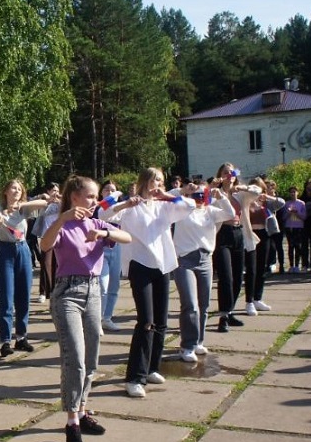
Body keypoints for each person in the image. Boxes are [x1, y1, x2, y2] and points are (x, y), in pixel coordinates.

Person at [40, 175, 131, 442]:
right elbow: (45, 245)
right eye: (90, 197)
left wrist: (104, 233)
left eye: (95, 197)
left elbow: (126, 237)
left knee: (91, 358)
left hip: (94, 294)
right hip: (67, 293)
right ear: (74, 197)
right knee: (75, 359)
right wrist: (62, 218)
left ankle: (82, 411)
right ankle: (71, 422)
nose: (95, 202)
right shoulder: (63, 225)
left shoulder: (97, 223)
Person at [101, 168, 195, 398]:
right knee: (146, 321)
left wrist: (169, 196)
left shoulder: (165, 206)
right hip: (139, 265)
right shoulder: (132, 207)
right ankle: (134, 377)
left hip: (162, 265)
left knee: (161, 322)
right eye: (154, 181)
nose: (158, 185)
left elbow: (190, 206)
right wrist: (124, 202)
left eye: (161, 181)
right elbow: (103, 214)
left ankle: (152, 367)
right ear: (144, 182)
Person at [0, 180, 47, 357]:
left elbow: (44, 203)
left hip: (22, 250)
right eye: (13, 188)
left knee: (24, 296)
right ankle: (5, 340)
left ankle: (21, 337)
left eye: (19, 189)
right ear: (5, 191)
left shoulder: (24, 209)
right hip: (5, 251)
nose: (16, 190)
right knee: (5, 296)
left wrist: (22, 203)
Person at [172, 183, 234, 363]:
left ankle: (199, 340)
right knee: (190, 304)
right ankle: (187, 345)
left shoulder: (211, 211)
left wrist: (221, 196)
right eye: (195, 195)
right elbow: (166, 197)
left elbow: (230, 215)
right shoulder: (182, 209)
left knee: (204, 303)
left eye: (202, 196)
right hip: (184, 260)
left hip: (205, 259)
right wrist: (184, 190)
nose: (199, 199)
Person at [212, 163, 261, 332]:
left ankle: (230, 311)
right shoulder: (216, 193)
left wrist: (240, 186)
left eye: (231, 172)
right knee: (225, 277)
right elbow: (205, 201)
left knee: (238, 277)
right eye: (225, 172)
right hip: (222, 235)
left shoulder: (240, 194)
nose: (229, 174)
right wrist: (214, 188)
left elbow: (258, 191)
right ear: (220, 175)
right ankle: (223, 316)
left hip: (239, 234)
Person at [244, 177, 284, 316]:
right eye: (254, 187)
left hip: (264, 235)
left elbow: (282, 203)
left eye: (259, 188)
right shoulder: (246, 202)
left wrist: (267, 196)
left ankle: (257, 298)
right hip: (250, 235)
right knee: (251, 269)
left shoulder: (266, 203)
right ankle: (249, 301)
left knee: (262, 268)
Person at [94, 180, 123, 333]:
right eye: (107, 189)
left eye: (113, 190)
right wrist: (116, 194)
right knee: (102, 285)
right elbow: (105, 208)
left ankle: (107, 318)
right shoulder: (99, 207)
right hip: (101, 249)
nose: (110, 192)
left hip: (117, 248)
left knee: (114, 285)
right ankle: (97, 320)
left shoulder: (122, 208)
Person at [283, 186, 307, 273]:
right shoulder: (286, 204)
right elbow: (284, 217)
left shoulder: (302, 203)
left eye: (294, 192)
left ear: (297, 193)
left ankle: (297, 265)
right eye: (291, 192)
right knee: (290, 246)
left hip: (299, 227)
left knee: (298, 247)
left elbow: (304, 217)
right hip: (289, 227)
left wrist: (297, 213)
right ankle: (291, 265)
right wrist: (289, 213)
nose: (293, 194)